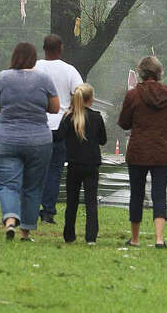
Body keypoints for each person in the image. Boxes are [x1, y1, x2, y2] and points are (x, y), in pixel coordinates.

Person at [0, 42, 60, 241]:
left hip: (6, 139)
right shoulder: (44, 79)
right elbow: (55, 108)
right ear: (34, 58)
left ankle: (10, 220)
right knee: (32, 187)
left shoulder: (2, 77)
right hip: (38, 141)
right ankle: (26, 231)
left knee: (8, 185)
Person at [118, 56, 167, 248]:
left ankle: (136, 239)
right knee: (159, 193)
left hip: (139, 150)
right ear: (159, 72)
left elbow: (124, 122)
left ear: (141, 72)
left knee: (136, 193)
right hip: (164, 151)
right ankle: (159, 238)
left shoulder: (133, 95)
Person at [33, 34, 83, 225]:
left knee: (36, 169)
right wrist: (71, 111)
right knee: (54, 170)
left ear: (43, 48)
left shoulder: (35, 68)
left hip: (37, 124)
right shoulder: (69, 70)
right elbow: (81, 93)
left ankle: (30, 206)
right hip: (60, 127)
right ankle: (48, 211)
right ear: (60, 48)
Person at [58, 83, 106, 245]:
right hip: (92, 164)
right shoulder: (97, 117)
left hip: (73, 164)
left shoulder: (69, 117)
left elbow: (59, 136)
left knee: (72, 200)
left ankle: (69, 234)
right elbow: (103, 140)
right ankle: (91, 236)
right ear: (91, 99)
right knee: (91, 201)